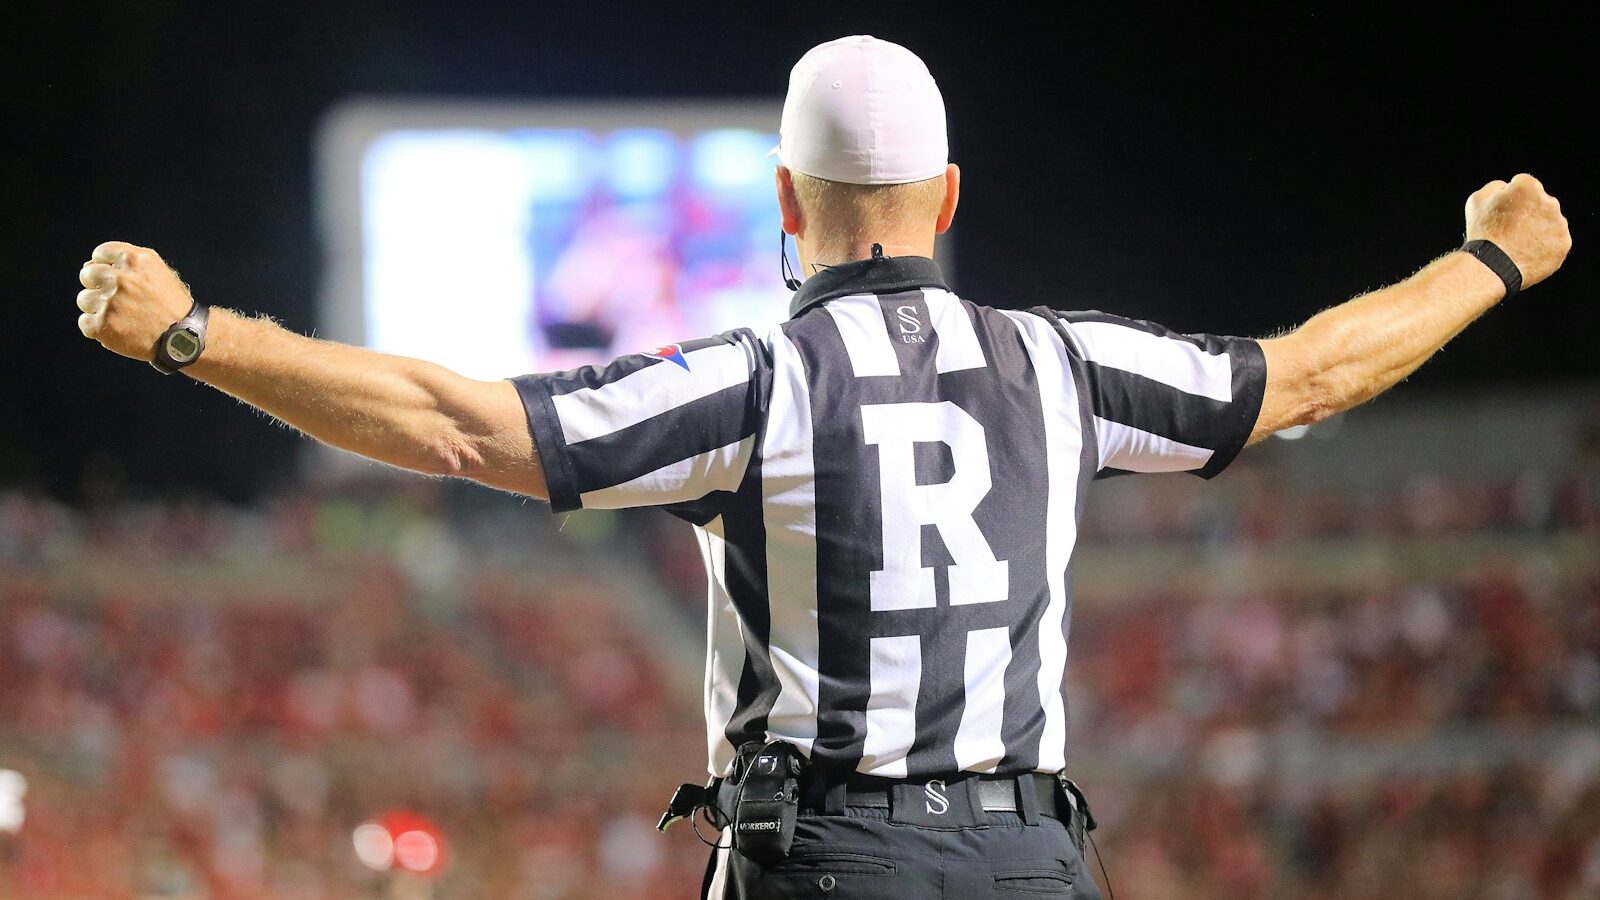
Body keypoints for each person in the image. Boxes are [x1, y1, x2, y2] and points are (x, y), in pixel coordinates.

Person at [74, 34, 1569, 900]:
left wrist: (197, 337)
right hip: (1025, 860)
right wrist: (1491, 263)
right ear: (950, 197)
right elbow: (1305, 373)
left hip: (828, 860)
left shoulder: (757, 380)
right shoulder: (1063, 363)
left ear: (783, 197)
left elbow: (465, 423)